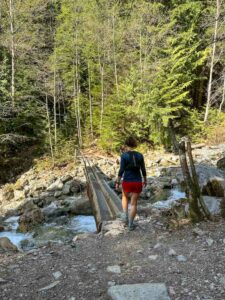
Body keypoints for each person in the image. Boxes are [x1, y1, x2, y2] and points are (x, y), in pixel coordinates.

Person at [115, 136, 147, 231]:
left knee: (124, 197)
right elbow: (143, 169)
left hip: (127, 182)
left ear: (126, 144)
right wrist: (145, 180)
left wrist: (117, 181)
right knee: (134, 204)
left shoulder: (124, 156)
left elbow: (121, 170)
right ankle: (130, 225)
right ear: (135, 144)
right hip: (137, 182)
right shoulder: (140, 155)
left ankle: (125, 215)